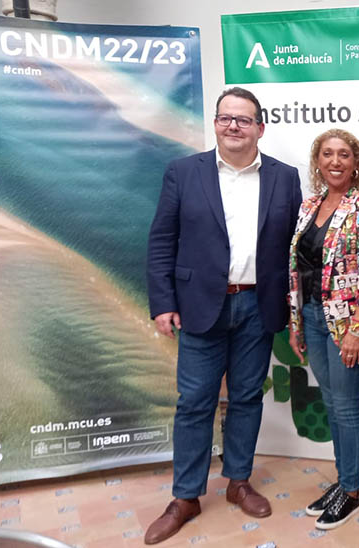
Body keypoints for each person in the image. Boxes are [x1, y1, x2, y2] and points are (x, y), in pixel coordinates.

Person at [144, 87, 302, 544]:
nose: (233, 125)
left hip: (259, 305)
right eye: (225, 118)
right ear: (215, 123)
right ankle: (186, 496)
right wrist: (163, 302)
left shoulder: (284, 177)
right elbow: (161, 241)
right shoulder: (182, 172)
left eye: (243, 119)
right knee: (194, 403)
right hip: (200, 305)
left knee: (248, 397)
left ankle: (238, 481)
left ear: (260, 127)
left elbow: (294, 249)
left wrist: (295, 307)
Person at [287, 129, 359, 530]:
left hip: (347, 324)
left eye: (343, 155)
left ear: (355, 163)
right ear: (317, 161)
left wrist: (358, 327)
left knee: (346, 406)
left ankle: (349, 490)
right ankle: (341, 480)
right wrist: (296, 324)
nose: (334, 161)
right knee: (331, 404)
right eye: (327, 154)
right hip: (311, 317)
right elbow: (298, 267)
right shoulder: (309, 205)